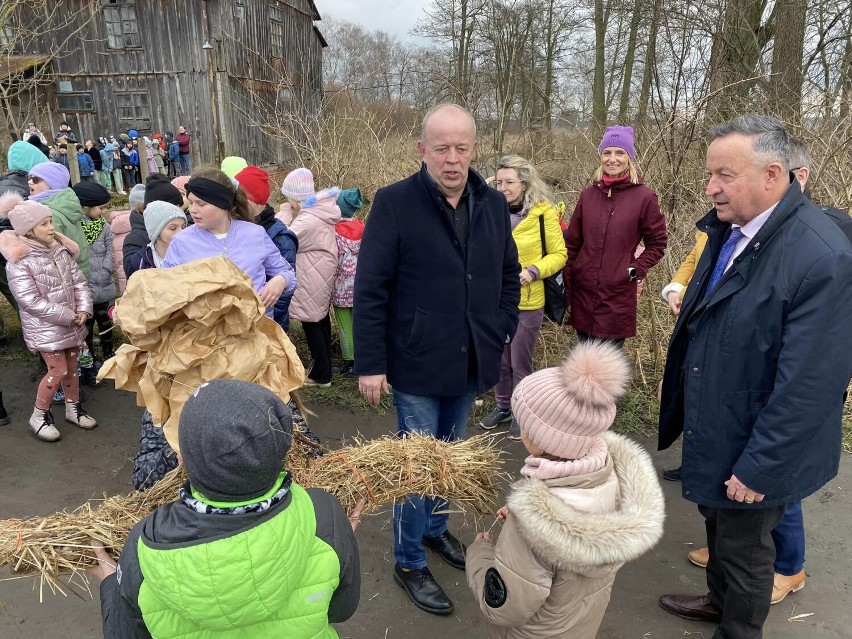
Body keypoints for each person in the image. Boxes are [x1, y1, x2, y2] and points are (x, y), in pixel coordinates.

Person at [657, 115, 852, 638]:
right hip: (720, 420)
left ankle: (737, 628)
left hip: (756, 442)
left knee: (746, 553)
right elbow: (708, 314)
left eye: (723, 175)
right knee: (718, 529)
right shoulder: (730, 231)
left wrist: (760, 467)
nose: (710, 187)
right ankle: (717, 603)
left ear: (772, 175)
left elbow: (811, 384)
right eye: (709, 174)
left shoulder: (821, 256)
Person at [354, 103, 521, 615]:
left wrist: (501, 326)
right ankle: (408, 561)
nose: (452, 159)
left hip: (471, 358)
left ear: (475, 149)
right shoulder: (395, 202)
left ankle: (433, 530)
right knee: (418, 465)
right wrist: (370, 363)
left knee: (451, 457)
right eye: (441, 148)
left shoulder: (492, 203)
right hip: (416, 362)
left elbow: (508, 274)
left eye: (462, 148)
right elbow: (371, 288)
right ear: (421, 149)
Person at [89, 379, 362, 637]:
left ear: (184, 458)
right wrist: (338, 539)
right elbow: (341, 609)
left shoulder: (146, 543)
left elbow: (126, 632)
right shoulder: (324, 514)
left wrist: (112, 584)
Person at [467, 342, 664, 638]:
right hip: (578, 625)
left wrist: (480, 554)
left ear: (545, 438)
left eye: (526, 425)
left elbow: (505, 607)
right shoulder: (614, 478)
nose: (521, 432)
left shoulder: (532, 524)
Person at [480, 155, 567, 439]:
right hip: (495, 300)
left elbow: (559, 255)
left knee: (520, 361)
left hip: (528, 302)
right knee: (499, 360)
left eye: (510, 182)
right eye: (500, 181)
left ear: (525, 183)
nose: (504, 188)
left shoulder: (544, 214)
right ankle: (503, 406)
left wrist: (533, 271)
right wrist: (487, 184)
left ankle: (522, 411)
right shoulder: (489, 210)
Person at [0, 193, 96, 441]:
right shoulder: (19, 261)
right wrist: (68, 315)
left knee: (72, 369)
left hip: (72, 323)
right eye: (44, 224)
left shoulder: (60, 250)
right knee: (58, 371)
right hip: (47, 328)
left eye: (50, 221)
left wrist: (84, 309)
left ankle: (72, 409)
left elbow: (79, 282)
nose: (51, 227)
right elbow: (28, 300)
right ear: (28, 230)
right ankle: (39, 415)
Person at [563, 125, 667, 347]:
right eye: (607, 152)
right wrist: (569, 291)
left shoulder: (644, 197)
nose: (612, 159)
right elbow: (571, 245)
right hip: (583, 293)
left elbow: (657, 244)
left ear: (629, 157)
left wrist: (634, 270)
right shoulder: (588, 196)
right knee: (583, 367)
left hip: (617, 296)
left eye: (620, 153)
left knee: (607, 371)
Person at [162, 166, 296, 317]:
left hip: (256, 332)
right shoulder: (181, 243)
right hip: (207, 336)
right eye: (191, 202)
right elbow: (165, 290)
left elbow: (287, 273)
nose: (193, 210)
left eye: (201, 204)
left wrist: (281, 280)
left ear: (223, 203)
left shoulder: (255, 234)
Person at [283, 168, 341, 386]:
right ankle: (323, 367)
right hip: (319, 272)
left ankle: (320, 375)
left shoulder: (307, 220)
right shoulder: (319, 211)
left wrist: (285, 214)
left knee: (312, 324)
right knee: (319, 320)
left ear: (295, 199)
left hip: (311, 275)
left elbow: (284, 239)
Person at [236, 165, 298, 333]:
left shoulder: (279, 237)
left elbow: (283, 296)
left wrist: (272, 328)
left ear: (255, 203)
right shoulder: (235, 229)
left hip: (268, 323)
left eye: (240, 200)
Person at [72, 182, 116, 372]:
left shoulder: (103, 225)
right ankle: (89, 355)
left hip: (104, 283)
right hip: (86, 284)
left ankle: (108, 349)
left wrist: (107, 267)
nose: (104, 211)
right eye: (101, 207)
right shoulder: (75, 227)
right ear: (86, 206)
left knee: (106, 320)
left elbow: (110, 247)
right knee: (86, 325)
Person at [28, 162, 90, 278]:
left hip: (63, 278)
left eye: (36, 179)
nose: (30, 182)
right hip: (77, 272)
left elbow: (52, 255)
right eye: (30, 178)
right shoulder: (65, 203)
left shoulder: (48, 214)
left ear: (52, 183)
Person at [331, 192, 365, 377]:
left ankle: (349, 363)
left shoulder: (334, 231)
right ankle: (362, 361)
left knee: (345, 327)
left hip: (341, 287)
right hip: (360, 286)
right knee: (359, 325)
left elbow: (332, 260)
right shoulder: (363, 227)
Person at [124, 175, 184, 280]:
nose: (179, 209)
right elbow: (133, 280)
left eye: (180, 205)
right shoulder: (136, 243)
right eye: (175, 205)